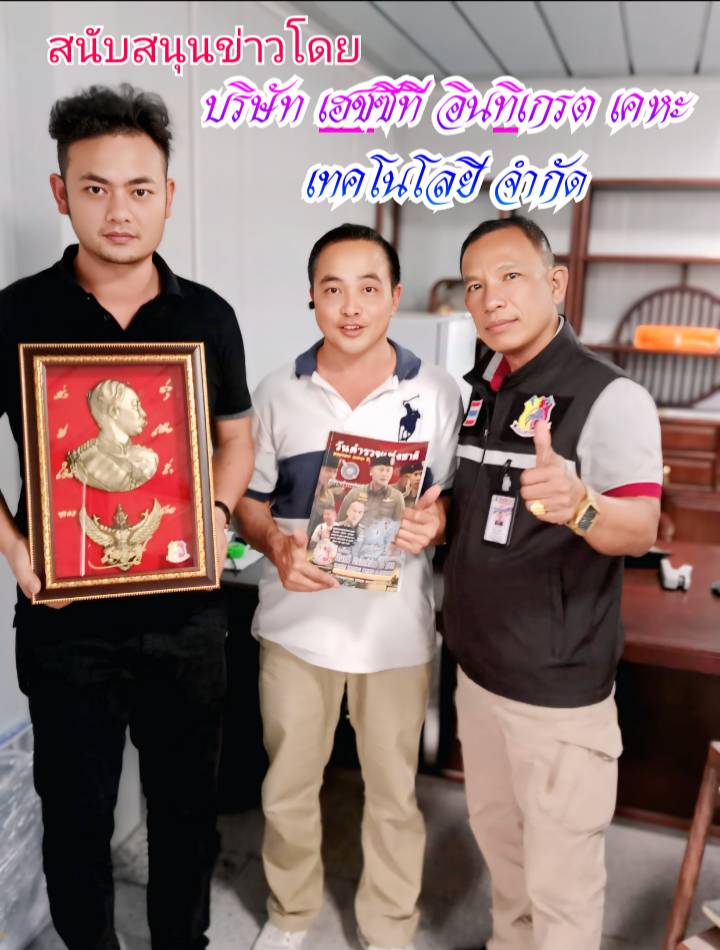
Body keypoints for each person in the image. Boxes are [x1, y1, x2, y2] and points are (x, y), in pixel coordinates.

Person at [0, 84, 254, 950]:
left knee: (187, 813)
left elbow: (236, 439)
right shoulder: (15, 314)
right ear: (60, 192)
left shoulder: (206, 317)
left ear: (168, 196)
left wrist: (214, 512)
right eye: (96, 187)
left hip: (186, 616)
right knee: (75, 818)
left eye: (140, 189)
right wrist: (17, 551)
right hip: (65, 619)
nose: (119, 210)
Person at [404, 216, 662, 950]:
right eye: (475, 286)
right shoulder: (483, 390)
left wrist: (581, 505)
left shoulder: (610, 396)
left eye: (511, 277)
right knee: (504, 855)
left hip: (557, 693)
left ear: (556, 283)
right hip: (480, 674)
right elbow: (478, 512)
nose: (491, 299)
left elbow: (639, 528)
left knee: (562, 884)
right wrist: (439, 519)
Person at [235, 223, 463, 950]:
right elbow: (247, 502)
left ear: (395, 297)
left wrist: (437, 520)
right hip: (295, 628)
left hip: (394, 633)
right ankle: (290, 913)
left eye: (369, 288)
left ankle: (389, 925)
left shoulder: (438, 393)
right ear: (312, 297)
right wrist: (274, 542)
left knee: (395, 794)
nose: (351, 306)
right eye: (333, 289)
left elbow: (454, 500)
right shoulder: (277, 391)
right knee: (287, 788)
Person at [68, 378, 158, 491]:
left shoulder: (148, 458)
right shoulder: (84, 461)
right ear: (114, 412)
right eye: (136, 406)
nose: (143, 413)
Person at [337, 455, 405, 526]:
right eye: (381, 470)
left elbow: (399, 525)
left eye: (388, 471)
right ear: (371, 471)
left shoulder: (397, 497)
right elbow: (339, 521)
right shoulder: (355, 493)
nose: (385, 474)